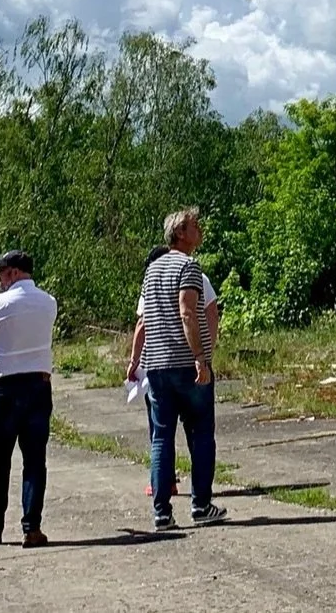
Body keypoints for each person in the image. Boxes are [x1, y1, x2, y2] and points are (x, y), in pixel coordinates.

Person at [133, 208, 226, 531]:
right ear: (181, 233)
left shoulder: (151, 271)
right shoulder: (188, 267)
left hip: (156, 365)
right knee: (201, 434)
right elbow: (188, 312)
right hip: (185, 363)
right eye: (195, 226)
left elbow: (144, 320)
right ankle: (201, 504)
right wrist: (202, 357)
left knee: (161, 436)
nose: (200, 230)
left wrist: (137, 361)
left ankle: (162, 511)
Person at [0, 250, 58, 548]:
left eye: (2, 271)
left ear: (15, 273)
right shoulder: (49, 302)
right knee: (35, 460)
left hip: (5, 388)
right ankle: (32, 527)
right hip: (38, 384)